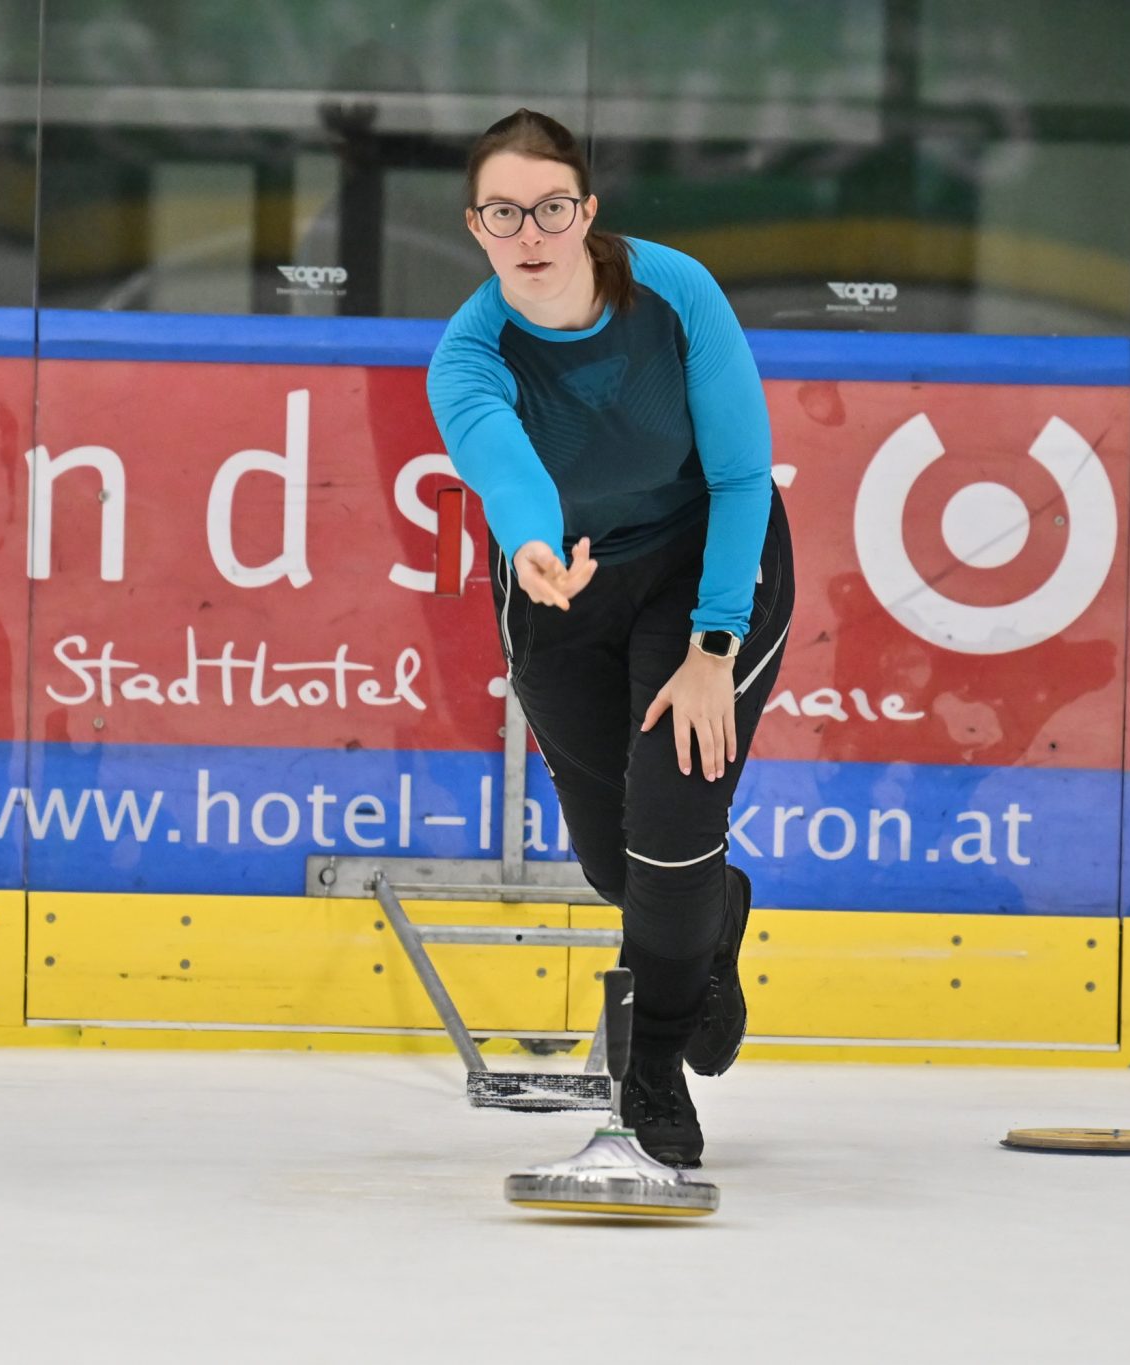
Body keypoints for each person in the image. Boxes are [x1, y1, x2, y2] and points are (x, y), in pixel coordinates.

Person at [426, 109, 793, 1167]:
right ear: (476, 226)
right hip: (562, 591)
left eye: (550, 207)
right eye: (503, 212)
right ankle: (710, 915)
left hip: (708, 565)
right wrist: (533, 546)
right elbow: (504, 464)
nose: (528, 230)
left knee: (669, 829)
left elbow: (735, 475)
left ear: (585, 214)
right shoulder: (466, 354)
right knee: (610, 860)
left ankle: (651, 1071)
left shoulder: (673, 291)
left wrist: (711, 650)